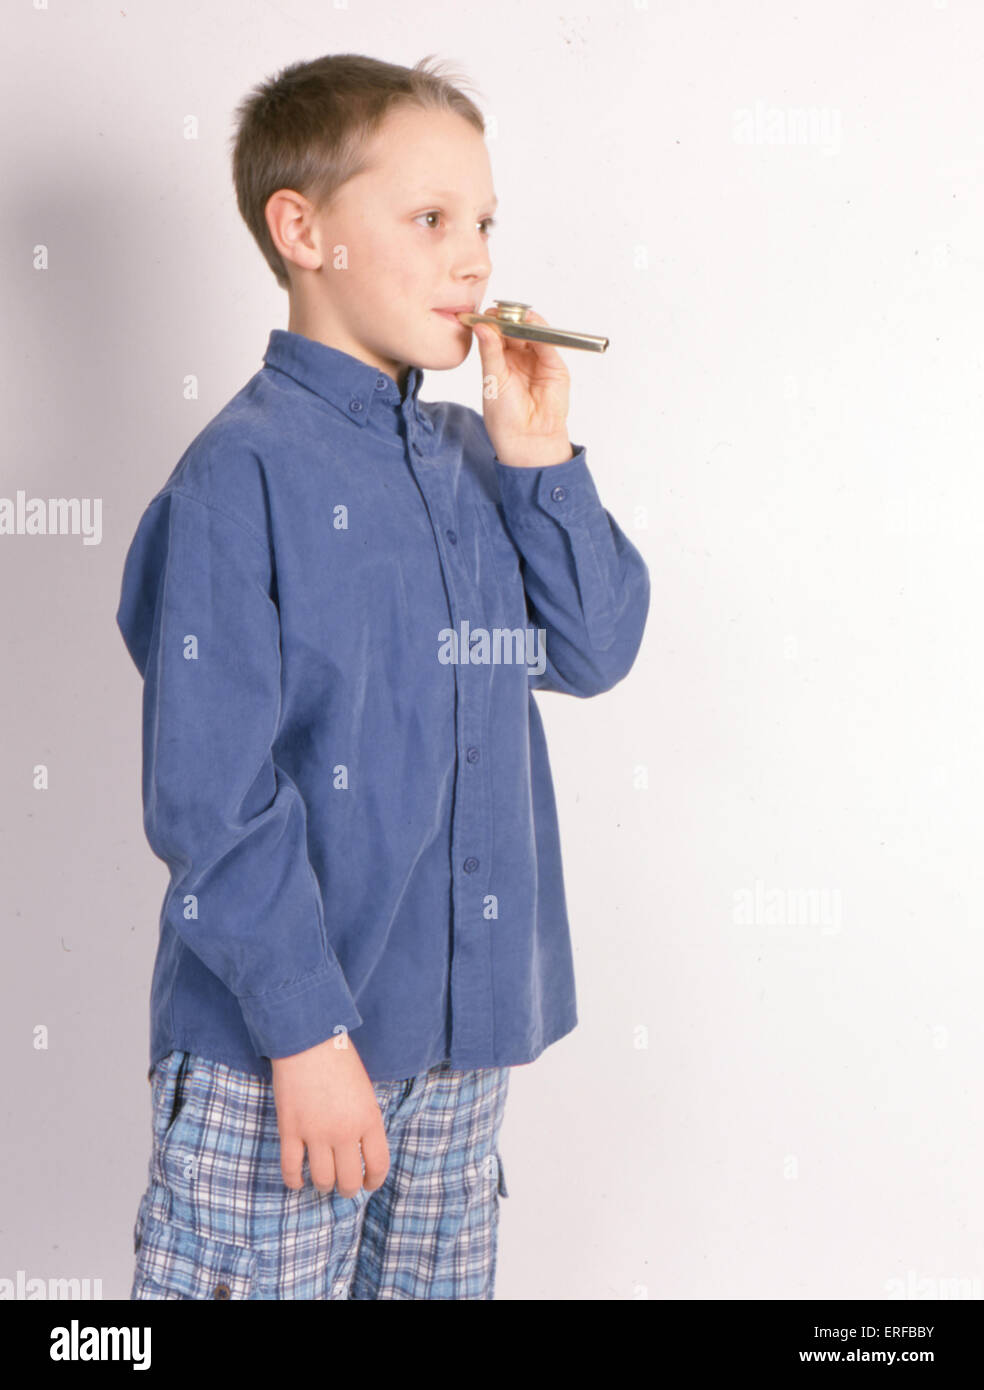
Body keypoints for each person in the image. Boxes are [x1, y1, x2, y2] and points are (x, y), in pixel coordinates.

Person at [116, 51, 650, 1301]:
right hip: (281, 1056)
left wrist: (540, 454)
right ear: (301, 230)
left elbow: (595, 647)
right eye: (429, 220)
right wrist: (305, 1031)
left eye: (484, 224)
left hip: (461, 1050)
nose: (473, 259)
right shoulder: (232, 479)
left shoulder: (480, 459)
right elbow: (211, 798)